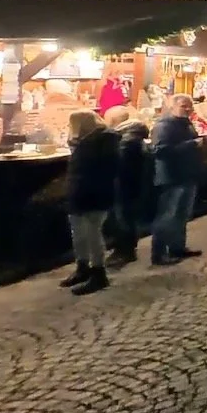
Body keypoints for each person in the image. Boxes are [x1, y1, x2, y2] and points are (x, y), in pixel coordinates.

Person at [60, 111, 120, 295]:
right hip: (80, 193)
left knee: (93, 234)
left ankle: (98, 273)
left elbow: (102, 170)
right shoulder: (87, 140)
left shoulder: (102, 141)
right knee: (79, 233)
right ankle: (83, 267)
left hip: (92, 194)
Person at [150, 94, 203, 266]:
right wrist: (192, 144)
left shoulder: (186, 124)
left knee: (182, 215)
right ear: (172, 107)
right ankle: (158, 254)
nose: (187, 109)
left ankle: (177, 247)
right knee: (167, 216)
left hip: (188, 175)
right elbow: (160, 150)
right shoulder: (164, 125)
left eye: (190, 106)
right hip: (171, 177)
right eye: (183, 105)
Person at [101, 106, 150, 267]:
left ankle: (125, 251)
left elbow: (119, 165)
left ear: (113, 120)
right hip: (132, 184)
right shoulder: (133, 135)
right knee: (127, 217)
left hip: (124, 185)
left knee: (123, 218)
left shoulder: (126, 139)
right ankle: (126, 249)